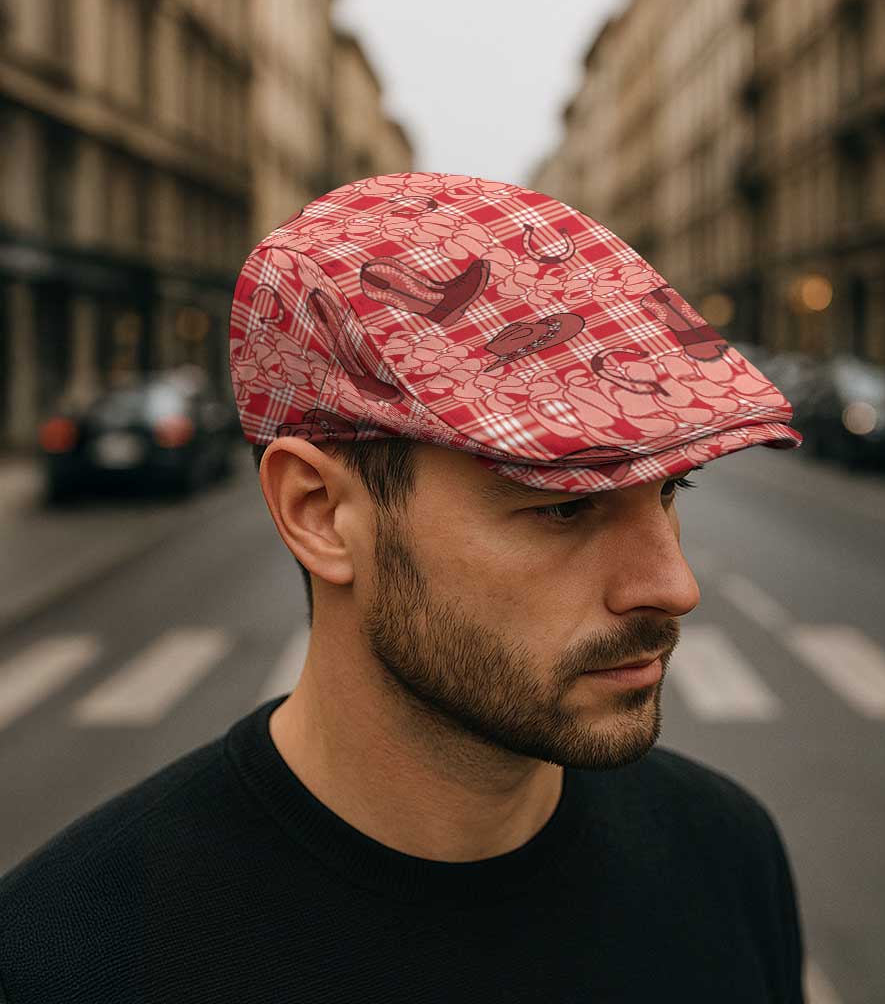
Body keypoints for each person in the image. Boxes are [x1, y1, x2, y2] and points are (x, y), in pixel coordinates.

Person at [0, 172, 807, 1003]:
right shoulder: (67, 960)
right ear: (319, 513)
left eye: (673, 490)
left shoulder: (727, 856)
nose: (673, 586)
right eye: (564, 507)